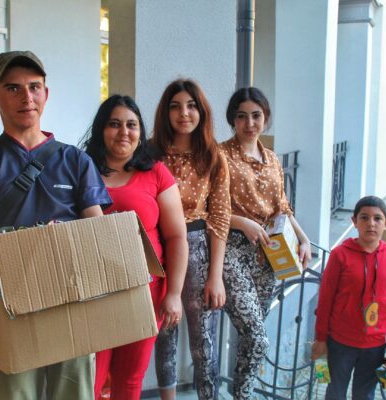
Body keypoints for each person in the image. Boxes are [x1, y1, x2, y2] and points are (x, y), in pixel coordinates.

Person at [0, 50, 112, 400]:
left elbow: (97, 237)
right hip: (8, 311)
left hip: (71, 305)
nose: (27, 97)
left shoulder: (76, 162)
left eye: (34, 87)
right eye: (13, 88)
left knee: (74, 394)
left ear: (45, 94)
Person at [81, 94, 188, 399]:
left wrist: (174, 294)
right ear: (101, 129)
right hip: (92, 294)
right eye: (114, 124)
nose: (124, 132)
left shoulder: (155, 172)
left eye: (132, 125)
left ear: (140, 132)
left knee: (129, 379)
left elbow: (176, 237)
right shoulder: (81, 169)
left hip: (145, 292)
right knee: (90, 380)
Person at [220, 87, 312, 398]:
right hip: (231, 252)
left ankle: (240, 393)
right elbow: (207, 208)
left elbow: (282, 207)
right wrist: (242, 222)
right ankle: (243, 394)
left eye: (256, 115)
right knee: (257, 337)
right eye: (242, 116)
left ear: (266, 117)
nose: (250, 123)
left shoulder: (272, 158)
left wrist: (303, 238)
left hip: (267, 256)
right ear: (233, 119)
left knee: (251, 338)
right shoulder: (220, 155)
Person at [151, 79, 231, 400]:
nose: (184, 113)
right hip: (159, 248)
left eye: (191, 106)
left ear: (202, 111)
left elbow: (220, 217)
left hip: (198, 247)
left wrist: (216, 276)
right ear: (166, 112)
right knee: (164, 332)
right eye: (175, 106)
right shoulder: (150, 153)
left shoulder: (212, 156)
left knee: (203, 339)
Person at [312, 195, 386, 400]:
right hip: (339, 344)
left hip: (375, 346)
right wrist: (320, 339)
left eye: (377, 218)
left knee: (365, 395)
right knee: (334, 393)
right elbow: (325, 300)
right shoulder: (340, 255)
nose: (371, 223)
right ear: (354, 221)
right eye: (364, 217)